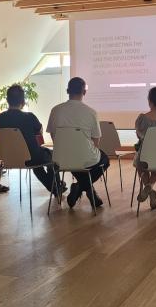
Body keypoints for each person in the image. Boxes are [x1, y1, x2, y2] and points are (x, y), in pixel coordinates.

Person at [47, 77, 110, 209]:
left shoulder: (55, 110)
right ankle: (81, 187)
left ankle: (80, 187)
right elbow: (96, 141)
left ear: (67, 91)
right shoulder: (91, 112)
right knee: (104, 159)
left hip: (61, 157)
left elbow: (54, 136)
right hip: (84, 156)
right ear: (84, 92)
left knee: (74, 161)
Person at [0, 85, 62, 195]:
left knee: (36, 160)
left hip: (8, 157)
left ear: (7, 100)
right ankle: (56, 187)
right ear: (23, 101)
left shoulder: (0, 118)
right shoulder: (29, 117)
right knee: (53, 157)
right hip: (30, 158)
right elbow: (39, 132)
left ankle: (55, 187)